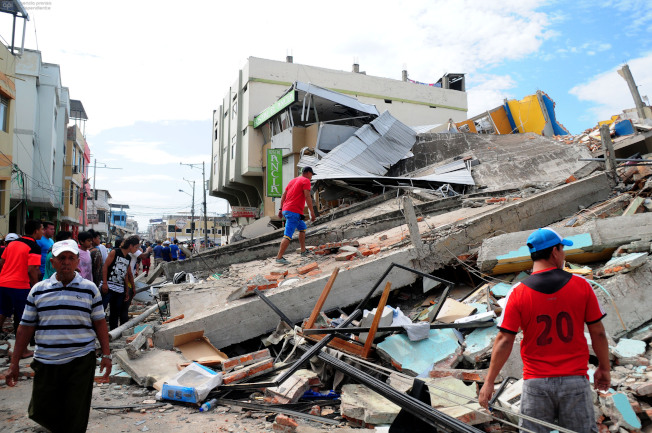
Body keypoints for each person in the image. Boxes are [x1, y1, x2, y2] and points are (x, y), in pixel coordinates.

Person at [478, 228, 611, 433]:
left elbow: (504, 339)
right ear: (554, 252)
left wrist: (488, 383)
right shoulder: (581, 285)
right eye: (562, 249)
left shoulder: (517, 293)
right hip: (574, 382)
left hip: (536, 384)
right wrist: (604, 367)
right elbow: (598, 333)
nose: (564, 254)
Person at [5, 239, 111, 433]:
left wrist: (106, 354)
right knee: (41, 410)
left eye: (71, 258)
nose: (66, 262)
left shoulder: (89, 289)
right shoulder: (38, 290)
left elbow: (99, 323)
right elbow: (25, 328)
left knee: (76, 413)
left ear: (78, 261)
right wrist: (14, 364)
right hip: (46, 360)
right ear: (52, 262)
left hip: (80, 360)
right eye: (61, 258)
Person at [0, 220, 43, 350]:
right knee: (24, 318)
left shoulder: (12, 244)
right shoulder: (34, 247)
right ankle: (23, 350)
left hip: (3, 283)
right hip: (20, 286)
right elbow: (32, 270)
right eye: (41, 229)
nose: (42, 231)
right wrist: (36, 288)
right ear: (36, 231)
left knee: (2, 312)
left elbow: (2, 262)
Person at [275, 166, 316, 265]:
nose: (311, 177)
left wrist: (280, 209)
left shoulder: (293, 181)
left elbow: (284, 195)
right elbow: (307, 196)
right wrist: (312, 212)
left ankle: (303, 251)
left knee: (302, 227)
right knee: (288, 235)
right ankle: (279, 257)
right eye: (311, 174)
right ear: (308, 173)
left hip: (288, 210)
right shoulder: (306, 181)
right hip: (293, 211)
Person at [101, 235, 140, 330]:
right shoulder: (115, 252)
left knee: (115, 313)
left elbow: (126, 274)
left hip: (119, 289)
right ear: (131, 245)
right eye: (136, 247)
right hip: (109, 287)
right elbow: (105, 267)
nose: (137, 249)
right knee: (101, 311)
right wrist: (105, 283)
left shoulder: (128, 258)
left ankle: (113, 332)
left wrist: (126, 290)